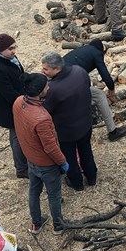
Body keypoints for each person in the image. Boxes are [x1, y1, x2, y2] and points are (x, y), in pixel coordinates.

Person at [12, 73, 68, 233]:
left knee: (34, 192)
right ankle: (58, 226)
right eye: (46, 86)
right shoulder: (41, 118)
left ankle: (36, 223)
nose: (49, 87)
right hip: (47, 165)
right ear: (39, 91)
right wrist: (62, 162)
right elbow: (50, 147)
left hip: (31, 158)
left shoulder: (17, 102)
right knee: (54, 196)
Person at [40, 52, 97, 191]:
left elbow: (47, 110)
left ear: (57, 69)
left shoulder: (52, 89)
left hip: (66, 131)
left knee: (69, 157)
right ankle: (92, 177)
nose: (43, 71)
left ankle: (76, 183)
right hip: (85, 123)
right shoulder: (80, 71)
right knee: (86, 150)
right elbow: (87, 86)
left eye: (46, 69)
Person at [63, 39, 126, 141]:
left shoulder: (83, 50)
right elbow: (104, 74)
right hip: (71, 79)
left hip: (60, 77)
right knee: (100, 95)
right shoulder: (97, 53)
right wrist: (111, 88)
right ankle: (113, 132)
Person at [0, 33, 29, 179]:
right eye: (10, 48)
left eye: (14, 47)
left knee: (18, 135)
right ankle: (22, 168)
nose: (14, 51)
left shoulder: (10, 58)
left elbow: (20, 74)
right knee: (17, 137)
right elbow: (10, 94)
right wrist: (28, 101)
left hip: (18, 99)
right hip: (9, 108)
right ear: (0, 50)